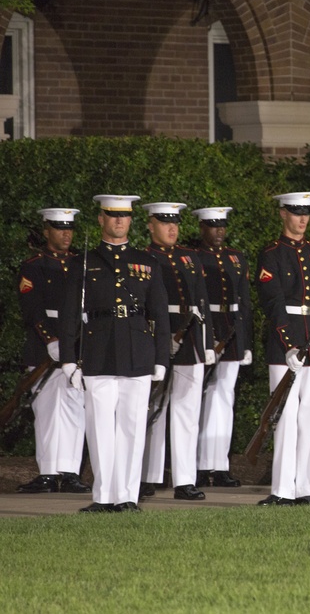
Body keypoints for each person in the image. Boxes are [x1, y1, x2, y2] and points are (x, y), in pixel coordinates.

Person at [59, 194, 170, 512]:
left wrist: (162, 358)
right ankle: (104, 496)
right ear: (101, 219)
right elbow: (69, 313)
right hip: (98, 350)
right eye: (112, 215)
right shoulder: (85, 261)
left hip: (137, 351)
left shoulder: (147, 262)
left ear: (131, 220)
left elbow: (160, 315)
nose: (119, 221)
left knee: (133, 428)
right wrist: (68, 358)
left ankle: (127, 497)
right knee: (99, 428)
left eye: (124, 216)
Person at [256, 192, 310, 506]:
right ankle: (282, 490)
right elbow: (273, 302)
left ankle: (308, 488)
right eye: (296, 212)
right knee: (285, 417)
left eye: (306, 213)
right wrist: (288, 343)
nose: (303, 219)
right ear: (283, 214)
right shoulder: (272, 254)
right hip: (286, 345)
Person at [140, 202, 215, 502]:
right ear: (150, 225)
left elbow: (203, 301)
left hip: (190, 338)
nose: (172, 228)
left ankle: (185, 480)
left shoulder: (190, 256)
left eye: (175, 223)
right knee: (152, 408)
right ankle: (147, 475)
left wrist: (207, 343)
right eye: (164, 222)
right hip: (158, 336)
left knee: (187, 412)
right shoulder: (144, 258)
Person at [16, 208, 90, 495]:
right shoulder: (33, 265)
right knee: (46, 410)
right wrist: (50, 340)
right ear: (46, 230)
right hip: (43, 348)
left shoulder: (82, 265)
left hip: (77, 348)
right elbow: (31, 308)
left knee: (74, 410)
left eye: (69, 228)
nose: (66, 233)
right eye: (59, 228)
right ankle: (47, 472)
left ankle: (70, 472)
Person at [192, 206, 253, 488]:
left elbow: (245, 304)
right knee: (200, 398)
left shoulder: (236, 258)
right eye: (212, 225)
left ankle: (219, 463)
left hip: (232, 333)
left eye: (222, 225)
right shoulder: (194, 258)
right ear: (202, 228)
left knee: (225, 397)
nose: (218, 230)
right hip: (208, 330)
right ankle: (201, 464)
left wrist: (246, 341)